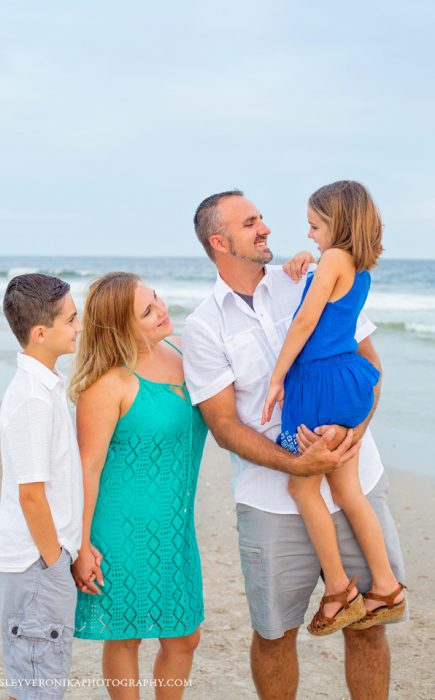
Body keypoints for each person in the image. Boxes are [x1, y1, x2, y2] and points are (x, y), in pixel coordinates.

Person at [181, 190, 407, 700]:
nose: (265, 228)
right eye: (250, 223)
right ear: (220, 242)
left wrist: (354, 432)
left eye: (261, 217)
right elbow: (223, 427)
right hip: (269, 502)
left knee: (369, 627)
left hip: (355, 477)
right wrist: (299, 464)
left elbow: (369, 370)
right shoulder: (202, 327)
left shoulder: (308, 277)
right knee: (274, 633)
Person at [261, 181, 406, 636]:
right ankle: (386, 587)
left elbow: (306, 321)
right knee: (346, 492)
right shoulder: (356, 264)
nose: (310, 235)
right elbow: (327, 305)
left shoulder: (333, 259)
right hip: (347, 381)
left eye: (314, 225)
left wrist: (277, 376)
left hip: (320, 383)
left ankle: (340, 588)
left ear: (337, 222)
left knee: (303, 490)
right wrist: (307, 266)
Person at [70, 272, 207, 700]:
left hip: (176, 528)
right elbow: (87, 469)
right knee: (126, 635)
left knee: (184, 637)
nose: (162, 309)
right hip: (121, 530)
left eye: (157, 298)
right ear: (120, 328)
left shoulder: (185, 352)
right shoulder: (109, 384)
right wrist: (81, 545)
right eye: (147, 311)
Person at [0, 274, 84, 700]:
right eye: (71, 319)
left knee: (30, 682)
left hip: (39, 560)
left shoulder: (45, 386)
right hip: (36, 563)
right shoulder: (32, 396)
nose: (79, 325)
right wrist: (54, 561)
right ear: (40, 333)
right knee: (37, 687)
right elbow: (32, 494)